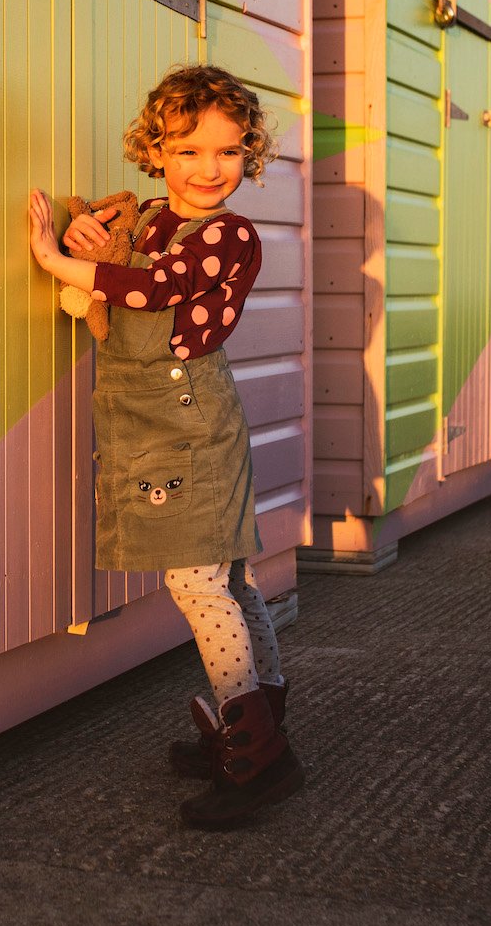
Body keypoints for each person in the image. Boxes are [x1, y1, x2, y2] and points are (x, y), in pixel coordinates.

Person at [25, 63, 302, 828]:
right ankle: (266, 731)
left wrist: (61, 260)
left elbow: (151, 288)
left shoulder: (230, 235)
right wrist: (91, 237)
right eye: (188, 150)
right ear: (156, 149)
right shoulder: (150, 217)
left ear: (249, 151)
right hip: (154, 418)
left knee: (201, 583)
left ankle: (255, 761)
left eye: (227, 150)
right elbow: (124, 264)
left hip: (189, 422)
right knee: (231, 579)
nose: (209, 169)